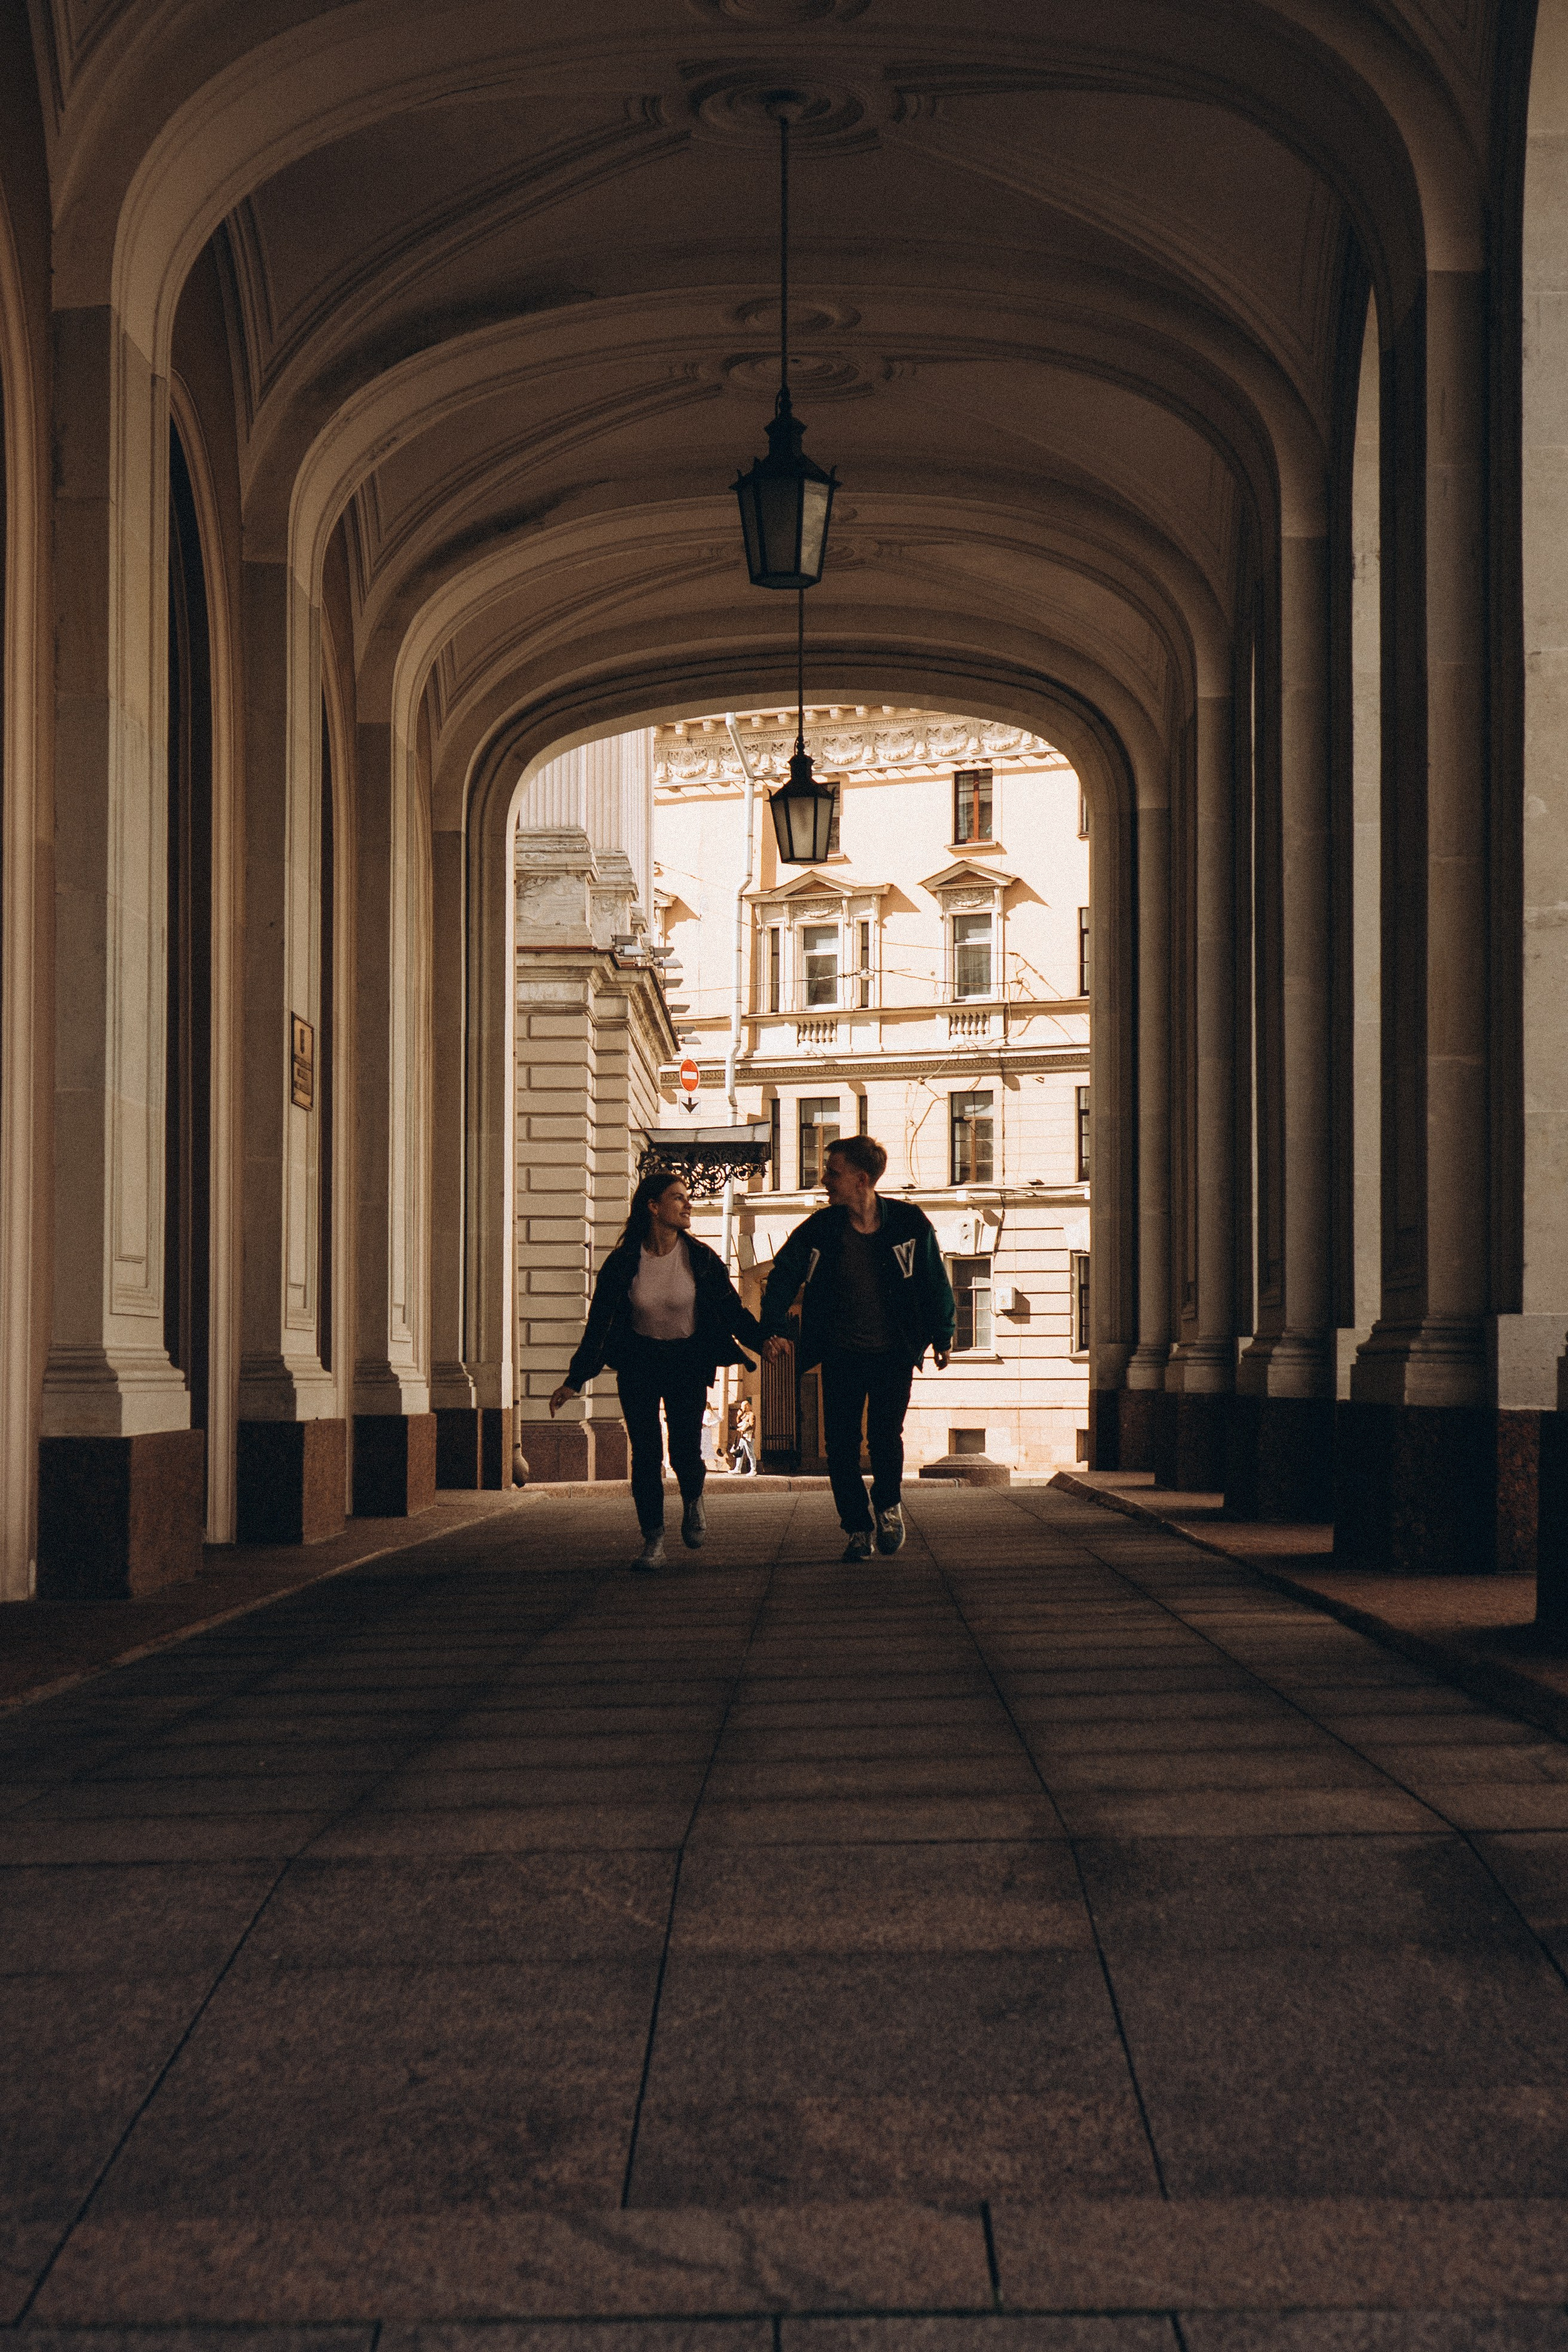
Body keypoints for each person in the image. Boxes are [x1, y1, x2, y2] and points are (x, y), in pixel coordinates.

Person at [549, 1169, 765, 1570]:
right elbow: (600, 1326)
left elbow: (732, 1311)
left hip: (687, 1361)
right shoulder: (623, 1263)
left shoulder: (700, 1258)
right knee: (646, 1454)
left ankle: (693, 1498)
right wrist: (574, 1381)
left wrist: (764, 1341)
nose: (688, 1204)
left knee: (685, 1450)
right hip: (640, 1363)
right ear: (653, 1206)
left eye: (687, 1198)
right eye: (678, 1197)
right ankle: (653, 1540)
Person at [759, 1134, 954, 1562]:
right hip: (841, 1354)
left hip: (892, 1353)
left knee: (886, 1437)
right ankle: (857, 1528)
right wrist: (773, 1328)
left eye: (834, 1172)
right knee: (841, 1445)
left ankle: (887, 1507)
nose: (824, 1180)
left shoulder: (909, 1224)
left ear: (861, 1179)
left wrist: (942, 1334)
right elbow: (782, 1277)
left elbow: (933, 1281)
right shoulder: (820, 1231)